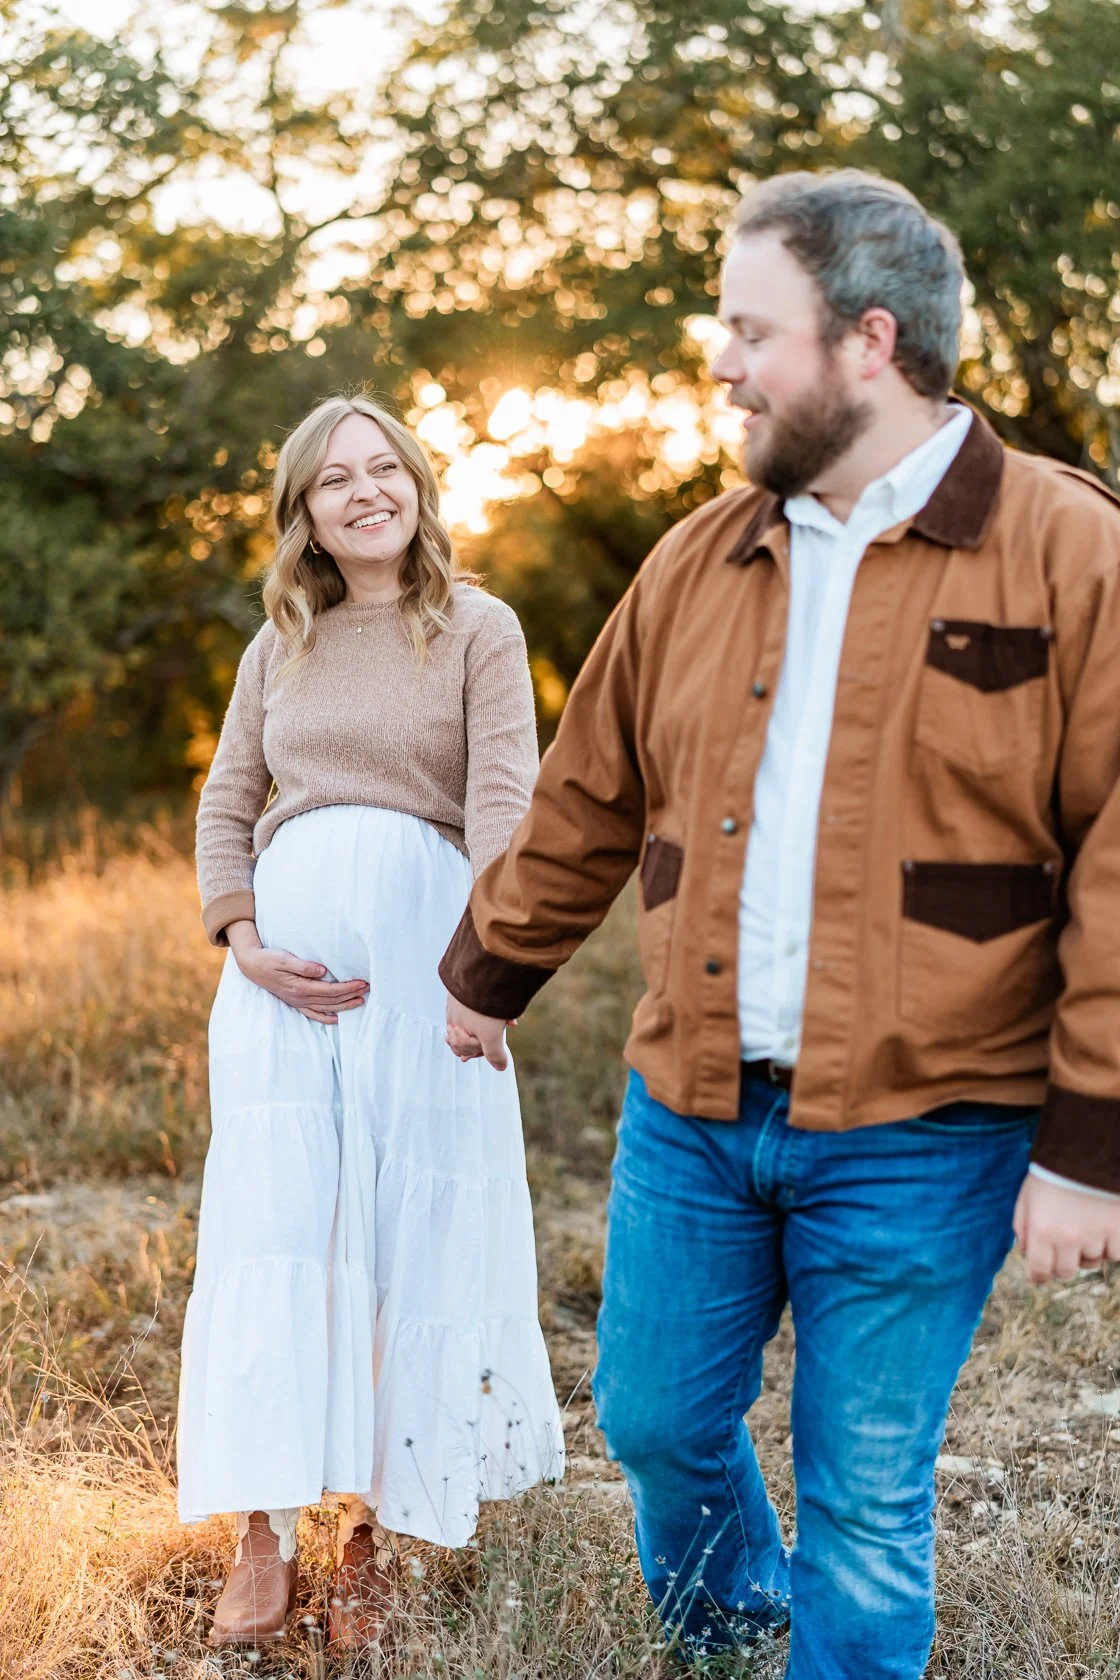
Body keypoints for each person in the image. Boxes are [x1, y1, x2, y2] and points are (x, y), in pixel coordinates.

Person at [438, 170, 1120, 1678]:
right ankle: (744, 1630)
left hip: (929, 1123)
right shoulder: (700, 556)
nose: (724, 363)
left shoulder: (1071, 552)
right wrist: (491, 969)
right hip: (689, 1103)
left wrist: (1090, 1146)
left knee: (865, 1504)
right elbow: (588, 790)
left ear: (870, 341)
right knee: (656, 1421)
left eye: (754, 330)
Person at [179, 392, 564, 1650]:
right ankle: (261, 1531)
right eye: (334, 479)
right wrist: (245, 943)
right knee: (281, 1229)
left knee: (414, 1237)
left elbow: (505, 802)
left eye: (383, 468)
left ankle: (375, 1536)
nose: (364, 492)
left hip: (426, 967)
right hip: (279, 991)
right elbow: (228, 803)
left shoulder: (476, 627)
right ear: (305, 511)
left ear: (416, 485)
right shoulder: (275, 643)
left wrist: (485, 974)